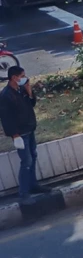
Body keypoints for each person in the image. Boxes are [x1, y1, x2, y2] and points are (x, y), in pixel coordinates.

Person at [0, 66, 50, 199]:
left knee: (33, 157)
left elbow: (31, 104)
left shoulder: (22, 89)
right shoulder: (6, 95)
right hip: (20, 133)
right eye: (22, 76)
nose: (24, 78)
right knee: (26, 161)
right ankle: (24, 192)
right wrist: (15, 135)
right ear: (14, 78)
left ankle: (33, 185)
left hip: (29, 128)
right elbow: (6, 118)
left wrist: (29, 91)